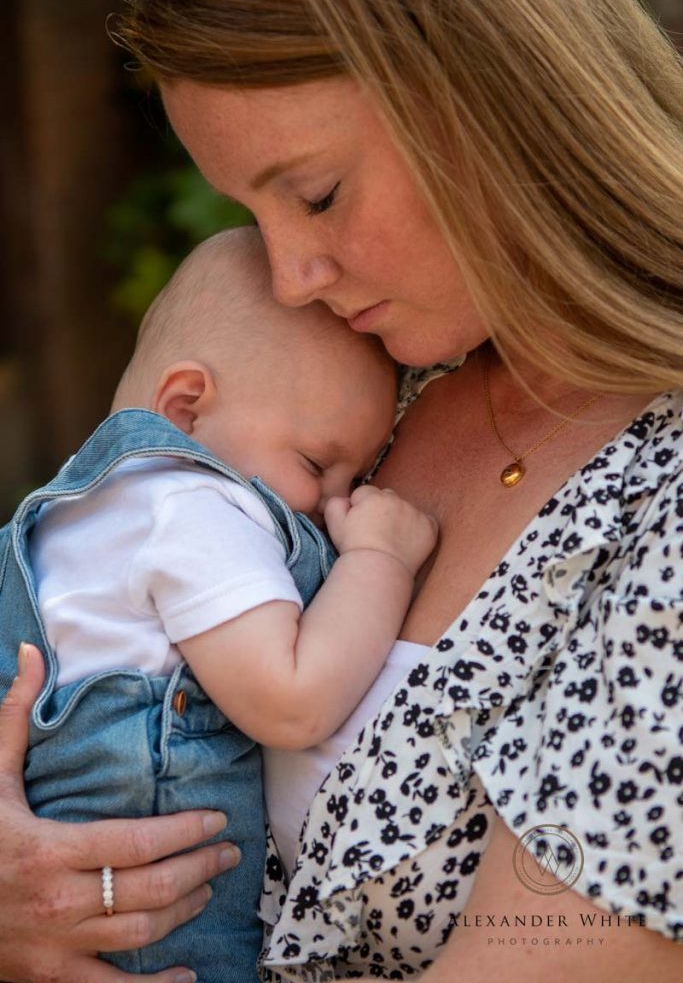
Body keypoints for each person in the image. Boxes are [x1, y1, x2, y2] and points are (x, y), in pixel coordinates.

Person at [1, 0, 682, 980]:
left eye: (315, 194)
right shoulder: (367, 383)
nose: (288, 277)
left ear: (493, 93)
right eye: (248, 210)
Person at [1, 226, 436, 982]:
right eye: (315, 465)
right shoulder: (189, 507)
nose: (332, 508)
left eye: (354, 478)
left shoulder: (72, 517)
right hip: (154, 929)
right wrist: (378, 560)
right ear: (187, 408)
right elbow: (292, 703)